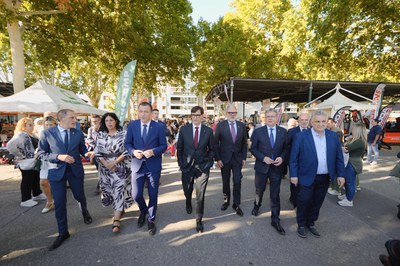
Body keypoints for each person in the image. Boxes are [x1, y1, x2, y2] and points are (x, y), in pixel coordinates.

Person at [37, 109, 92, 251]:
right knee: (60, 203)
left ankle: (85, 212)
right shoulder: (47, 133)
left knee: (79, 196)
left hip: (75, 171)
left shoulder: (78, 133)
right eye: (72, 118)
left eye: (75, 118)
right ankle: (63, 232)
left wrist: (88, 153)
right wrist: (58, 157)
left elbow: (83, 151)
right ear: (61, 119)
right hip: (56, 173)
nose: (75, 120)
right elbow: (42, 153)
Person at [290, 110, 345, 238]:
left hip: (324, 177)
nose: (321, 124)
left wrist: (341, 175)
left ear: (327, 122)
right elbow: (293, 158)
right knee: (304, 200)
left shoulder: (333, 137)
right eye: (317, 121)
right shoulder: (301, 137)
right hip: (305, 176)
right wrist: (293, 175)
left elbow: (339, 158)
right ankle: (301, 224)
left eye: (323, 121)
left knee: (317, 201)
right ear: (311, 122)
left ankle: (311, 223)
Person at [124, 102, 167, 236]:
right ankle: (143, 210)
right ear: (138, 112)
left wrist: (153, 151)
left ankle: (151, 219)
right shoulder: (132, 125)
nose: (143, 114)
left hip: (153, 166)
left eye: (146, 112)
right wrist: (132, 152)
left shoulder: (159, 127)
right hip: (137, 165)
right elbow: (127, 143)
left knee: (153, 195)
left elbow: (164, 146)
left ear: (151, 113)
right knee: (136, 194)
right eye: (140, 111)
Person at [250, 108, 288, 235]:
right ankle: (257, 205)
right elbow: (253, 149)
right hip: (262, 167)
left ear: (277, 118)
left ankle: (275, 219)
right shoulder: (258, 132)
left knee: (275, 194)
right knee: (259, 190)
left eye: (273, 116)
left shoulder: (283, 131)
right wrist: (263, 158)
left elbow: (286, 149)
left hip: (276, 168)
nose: (270, 118)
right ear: (264, 118)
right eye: (268, 116)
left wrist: (282, 157)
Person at [177, 106, 214, 233]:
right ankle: (188, 200)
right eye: (193, 115)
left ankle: (199, 220)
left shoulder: (208, 131)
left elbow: (212, 149)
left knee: (200, 194)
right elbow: (180, 148)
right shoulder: (184, 129)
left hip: (202, 167)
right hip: (187, 167)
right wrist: (181, 164)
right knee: (187, 190)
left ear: (202, 116)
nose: (195, 117)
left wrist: (208, 163)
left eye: (198, 115)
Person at [94, 112, 133, 233]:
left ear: (116, 121)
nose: (109, 123)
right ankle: (120, 209)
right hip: (105, 169)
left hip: (120, 167)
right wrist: (106, 164)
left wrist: (115, 162)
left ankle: (116, 220)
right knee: (110, 190)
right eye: (107, 121)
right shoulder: (100, 135)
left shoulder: (124, 134)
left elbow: (127, 151)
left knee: (119, 190)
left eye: (111, 120)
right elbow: (97, 151)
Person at [214, 104, 248, 216]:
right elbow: (215, 143)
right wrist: (217, 158)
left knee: (237, 181)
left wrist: (244, 157)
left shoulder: (242, 126)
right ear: (226, 113)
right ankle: (226, 201)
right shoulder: (220, 125)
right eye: (230, 113)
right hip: (224, 159)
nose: (232, 114)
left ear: (236, 113)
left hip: (237, 159)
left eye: (234, 112)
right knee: (225, 181)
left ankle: (236, 204)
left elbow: (244, 143)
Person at [6, 117, 45, 207]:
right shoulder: (21, 135)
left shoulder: (33, 135)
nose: (32, 126)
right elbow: (10, 145)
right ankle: (25, 199)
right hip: (25, 162)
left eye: (32, 124)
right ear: (23, 126)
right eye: (30, 125)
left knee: (35, 178)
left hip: (34, 161)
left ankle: (37, 193)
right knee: (27, 180)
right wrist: (20, 155)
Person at [337, 122, 367, 207]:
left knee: (350, 182)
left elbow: (346, 149)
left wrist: (337, 147)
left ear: (358, 130)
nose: (352, 130)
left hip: (353, 163)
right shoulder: (357, 140)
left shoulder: (359, 141)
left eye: (354, 129)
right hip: (351, 162)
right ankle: (347, 196)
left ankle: (349, 200)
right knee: (348, 181)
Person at [287, 112, 309, 208]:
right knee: (294, 183)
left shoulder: (312, 131)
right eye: (302, 120)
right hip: (294, 162)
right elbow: (287, 146)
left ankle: (302, 200)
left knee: (304, 183)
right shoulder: (292, 132)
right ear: (298, 121)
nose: (304, 122)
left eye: (306, 120)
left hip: (307, 163)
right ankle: (295, 201)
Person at [39, 116, 58, 214]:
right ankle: (49, 201)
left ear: (55, 125)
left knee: (55, 183)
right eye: (46, 125)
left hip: (56, 161)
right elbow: (41, 149)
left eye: (51, 124)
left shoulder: (59, 134)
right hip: (45, 161)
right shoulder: (43, 134)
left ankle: (56, 201)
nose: (49, 126)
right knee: (43, 182)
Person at [85, 114, 102, 194]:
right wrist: (95, 146)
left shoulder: (105, 129)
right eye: (93, 121)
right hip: (95, 153)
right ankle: (101, 185)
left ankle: (100, 186)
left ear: (100, 121)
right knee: (99, 169)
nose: (94, 123)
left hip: (105, 153)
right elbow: (89, 140)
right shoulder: (91, 130)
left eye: (96, 121)